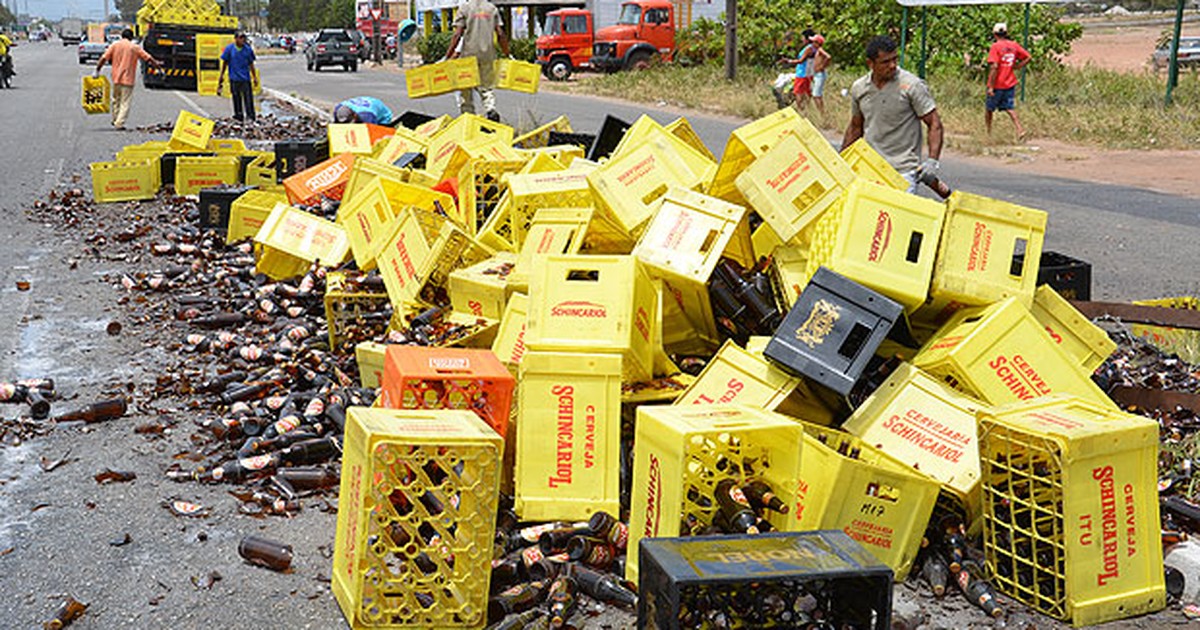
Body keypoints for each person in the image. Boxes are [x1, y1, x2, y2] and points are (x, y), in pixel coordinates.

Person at [842, 35, 944, 195]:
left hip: (903, 171)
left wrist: (932, 162)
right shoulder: (859, 88)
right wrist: (842, 162)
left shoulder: (911, 85)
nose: (892, 65)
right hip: (870, 168)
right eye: (885, 62)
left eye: (895, 59)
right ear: (870, 63)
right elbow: (856, 128)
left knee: (897, 218)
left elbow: (934, 124)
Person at [444, 0, 510, 121]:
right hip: (487, 55)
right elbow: (500, 33)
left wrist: (447, 56)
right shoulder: (492, 8)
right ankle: (491, 109)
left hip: (468, 56)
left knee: (466, 90)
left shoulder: (465, 8)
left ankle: (468, 118)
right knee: (487, 87)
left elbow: (457, 35)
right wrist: (507, 53)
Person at [95, 29, 163, 130]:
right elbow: (148, 58)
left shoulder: (115, 45)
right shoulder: (134, 47)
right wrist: (158, 66)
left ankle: (115, 119)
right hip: (128, 79)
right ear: (131, 37)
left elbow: (104, 58)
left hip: (116, 78)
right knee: (125, 102)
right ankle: (119, 123)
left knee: (116, 100)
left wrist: (97, 70)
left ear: (122, 36)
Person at [986, 22, 1030, 141]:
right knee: (1009, 108)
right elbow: (1028, 57)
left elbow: (994, 66)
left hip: (998, 84)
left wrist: (990, 85)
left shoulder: (995, 47)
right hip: (1009, 82)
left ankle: (988, 133)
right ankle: (1019, 129)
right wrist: (1017, 66)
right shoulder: (1013, 45)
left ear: (995, 34)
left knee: (989, 109)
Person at [217, 32, 258, 124]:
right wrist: (221, 75)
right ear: (235, 39)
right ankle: (239, 116)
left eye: (243, 38)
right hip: (234, 78)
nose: (242, 40)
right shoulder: (229, 49)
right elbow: (225, 63)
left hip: (245, 79)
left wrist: (254, 77)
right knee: (236, 98)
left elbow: (251, 64)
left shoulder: (247, 50)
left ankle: (250, 116)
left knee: (248, 98)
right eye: (240, 38)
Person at [779, 29, 816, 113]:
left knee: (798, 93)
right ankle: (806, 111)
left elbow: (801, 61)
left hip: (802, 74)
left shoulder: (809, 49)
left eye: (803, 37)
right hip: (807, 73)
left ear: (808, 38)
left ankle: (801, 111)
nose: (802, 39)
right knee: (805, 93)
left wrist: (788, 61)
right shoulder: (812, 48)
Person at [809, 34, 832, 119]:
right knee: (816, 94)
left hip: (819, 74)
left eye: (813, 42)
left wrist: (823, 66)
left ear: (817, 43)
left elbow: (828, 57)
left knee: (816, 95)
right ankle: (822, 114)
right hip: (817, 74)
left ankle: (822, 114)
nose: (812, 43)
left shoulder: (820, 50)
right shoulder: (817, 50)